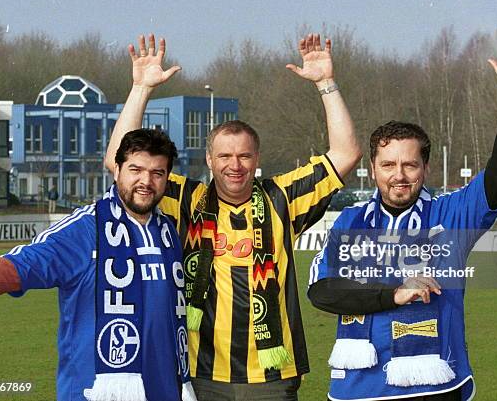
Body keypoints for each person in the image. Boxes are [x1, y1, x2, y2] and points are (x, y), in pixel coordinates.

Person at [104, 33, 361, 400]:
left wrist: (325, 82)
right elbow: (120, 164)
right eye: (224, 156)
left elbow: (346, 153)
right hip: (201, 372)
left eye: (243, 156)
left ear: (256, 160)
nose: (234, 165)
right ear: (210, 160)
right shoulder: (187, 198)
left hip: (272, 376)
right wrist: (141, 89)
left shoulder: (282, 197)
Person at [308, 35, 497, 401]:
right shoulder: (350, 221)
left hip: (434, 388)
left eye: (410, 164)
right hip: (357, 390)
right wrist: (393, 293)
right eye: (389, 165)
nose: (399, 174)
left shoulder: (449, 215)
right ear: (373, 168)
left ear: (425, 167)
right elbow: (322, 291)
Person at [0, 129, 196, 401]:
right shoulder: (85, 229)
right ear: (117, 169)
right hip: (95, 393)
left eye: (157, 173)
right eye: (136, 169)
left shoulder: (168, 230)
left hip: (166, 391)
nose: (146, 181)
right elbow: (17, 268)